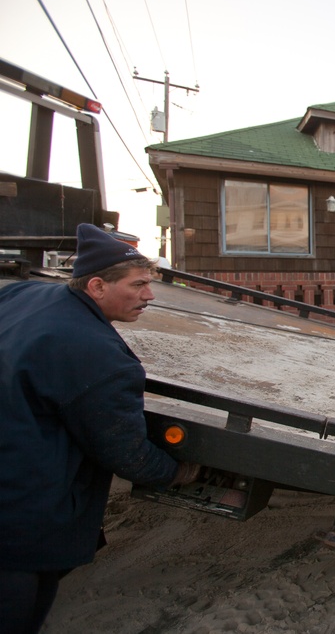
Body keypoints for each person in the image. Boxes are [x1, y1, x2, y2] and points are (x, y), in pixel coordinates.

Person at [0, 223, 201, 634]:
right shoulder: (99, 355)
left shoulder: (22, 294)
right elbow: (124, 451)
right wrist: (176, 472)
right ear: (96, 286)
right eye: (139, 284)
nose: (150, 295)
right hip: (20, 523)